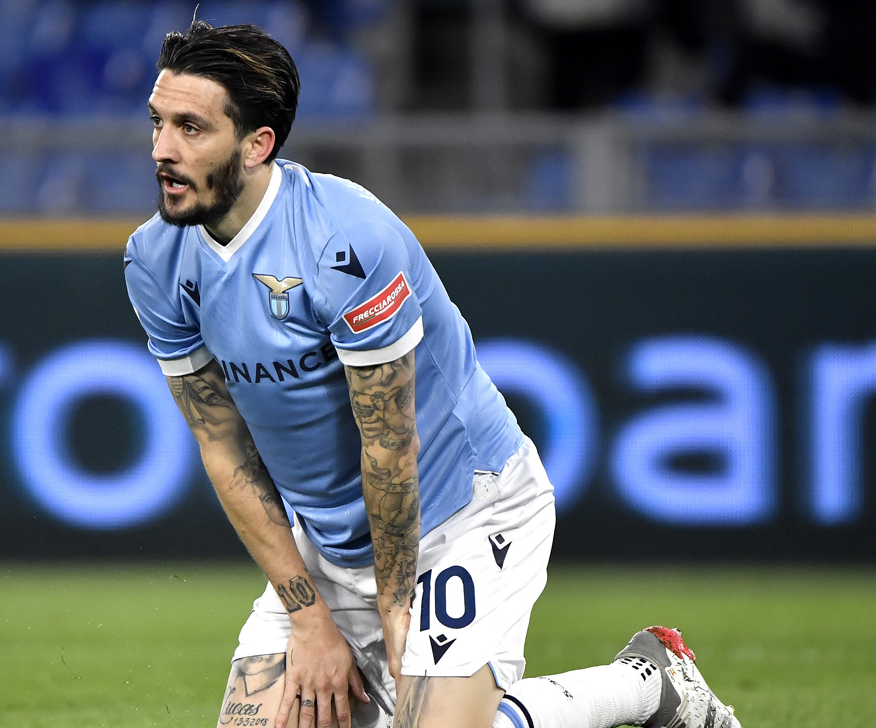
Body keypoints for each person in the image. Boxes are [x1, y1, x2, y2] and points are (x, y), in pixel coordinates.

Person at [123, 20, 743, 728]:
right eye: (158, 122)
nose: (162, 149)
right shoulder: (155, 261)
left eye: (191, 128)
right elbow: (224, 447)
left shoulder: (343, 243)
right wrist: (309, 620)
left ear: (257, 144)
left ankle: (648, 683)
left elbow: (390, 444)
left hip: (463, 513)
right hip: (331, 546)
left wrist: (396, 614)